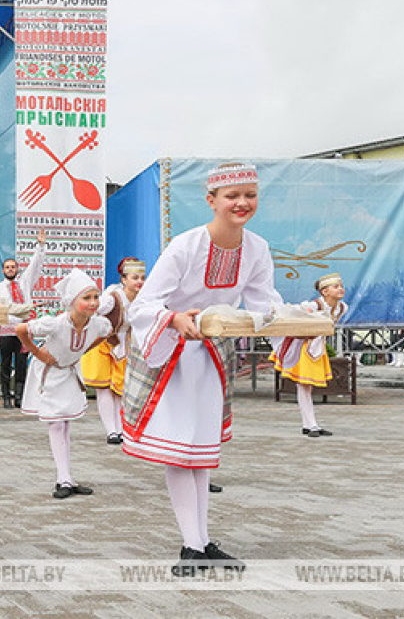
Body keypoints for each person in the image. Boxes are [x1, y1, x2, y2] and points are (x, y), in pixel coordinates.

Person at [124, 162, 282, 576]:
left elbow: (265, 303)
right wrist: (176, 320)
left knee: (202, 453)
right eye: (232, 196)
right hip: (169, 354)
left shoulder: (257, 248)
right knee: (180, 451)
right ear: (211, 201)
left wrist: (298, 319)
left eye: (249, 194)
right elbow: (145, 305)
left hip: (211, 357)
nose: (242, 203)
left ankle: (201, 541)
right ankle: (192, 546)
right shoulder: (186, 245)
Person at [18, 270, 112, 499]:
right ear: (72, 302)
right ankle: (63, 479)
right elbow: (21, 330)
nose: (93, 303)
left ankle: (67, 477)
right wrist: (39, 354)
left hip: (69, 372)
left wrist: (80, 352)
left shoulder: (98, 324)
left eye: (95, 297)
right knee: (56, 424)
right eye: (86, 298)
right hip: (49, 374)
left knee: (66, 423)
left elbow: (106, 333)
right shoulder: (55, 323)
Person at [271, 272, 347, 437]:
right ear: (324, 291)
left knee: (307, 387)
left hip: (316, 348)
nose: (340, 289)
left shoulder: (342, 307)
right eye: (336, 287)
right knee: (304, 386)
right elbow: (292, 314)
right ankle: (311, 425)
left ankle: (309, 425)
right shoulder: (313, 306)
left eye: (341, 286)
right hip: (301, 347)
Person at [81, 257, 147, 443]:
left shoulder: (143, 300)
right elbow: (90, 311)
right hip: (103, 344)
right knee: (104, 389)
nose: (139, 282)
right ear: (124, 279)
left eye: (142, 278)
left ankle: (121, 430)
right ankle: (111, 431)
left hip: (124, 346)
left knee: (120, 389)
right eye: (135, 278)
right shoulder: (112, 298)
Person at [0, 235, 47, 408]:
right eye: (7, 267)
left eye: (13, 267)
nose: (10, 269)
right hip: (7, 330)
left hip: (23, 329)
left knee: (22, 364)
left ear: (17, 269)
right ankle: (6, 396)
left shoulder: (24, 283)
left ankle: (19, 397)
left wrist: (41, 245)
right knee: (6, 363)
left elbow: (35, 264)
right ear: (3, 270)